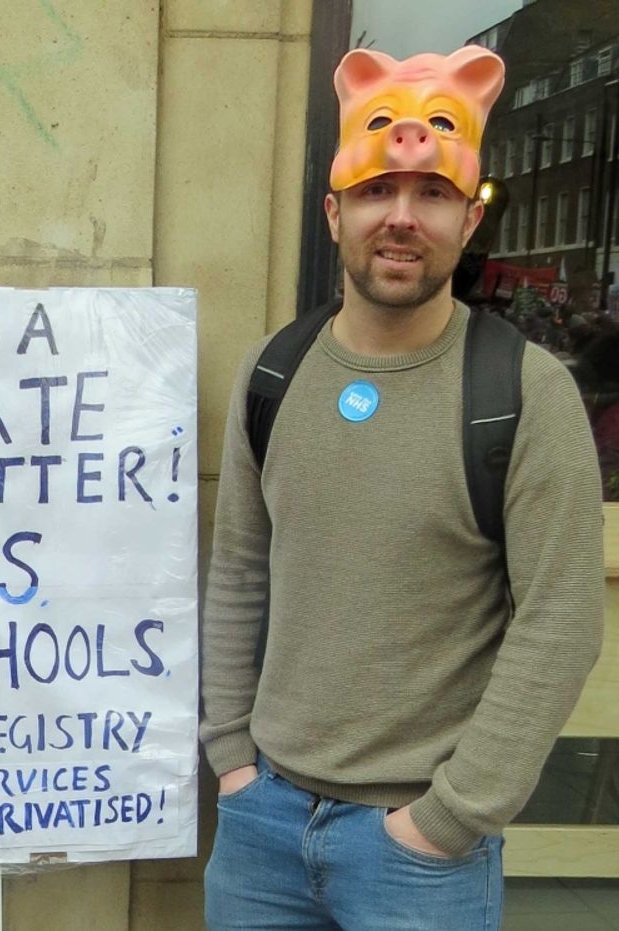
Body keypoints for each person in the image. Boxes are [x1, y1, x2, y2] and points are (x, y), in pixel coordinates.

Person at [200, 45, 604, 930]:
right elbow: (238, 571)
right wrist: (231, 756)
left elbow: (561, 620)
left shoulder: (523, 392)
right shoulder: (274, 373)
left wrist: (449, 817)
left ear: (470, 217)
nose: (403, 218)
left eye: (433, 194)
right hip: (262, 826)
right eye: (378, 190)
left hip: (419, 857)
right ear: (334, 212)